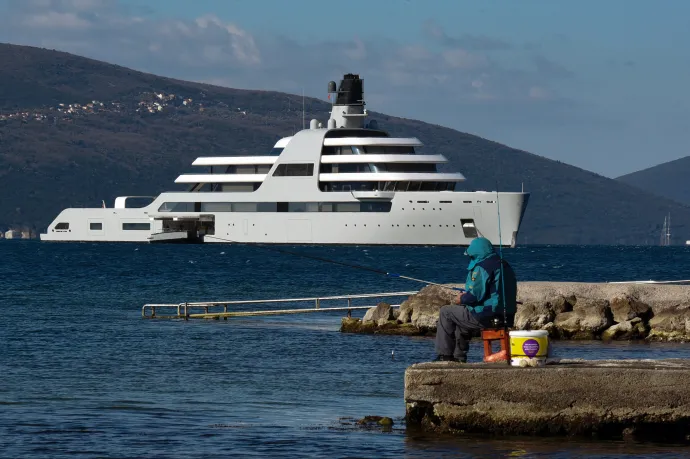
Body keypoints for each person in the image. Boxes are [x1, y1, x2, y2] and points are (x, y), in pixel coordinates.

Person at [434, 237, 518, 362]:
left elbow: (474, 296)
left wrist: (461, 299)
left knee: (446, 312)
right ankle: (458, 357)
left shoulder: (483, 267)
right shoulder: (504, 265)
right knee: (461, 317)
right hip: (506, 317)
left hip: (486, 316)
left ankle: (444, 355)